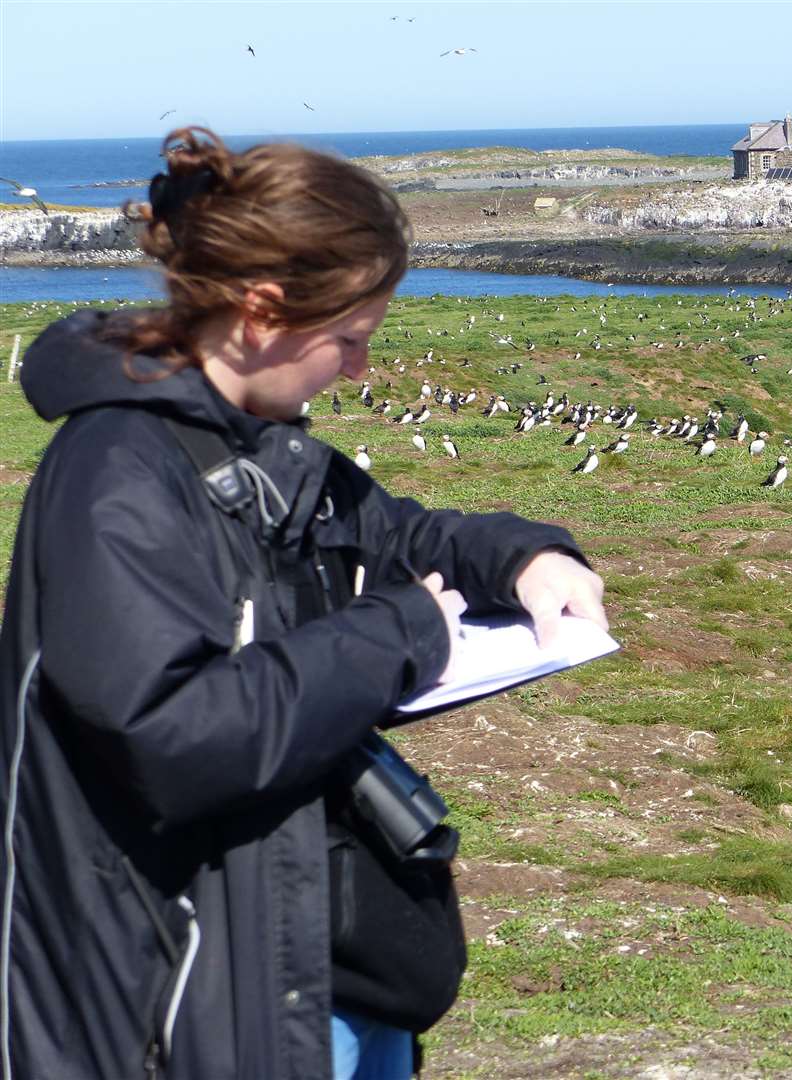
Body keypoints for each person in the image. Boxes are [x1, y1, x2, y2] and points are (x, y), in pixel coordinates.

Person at [0, 127, 607, 1079]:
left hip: (293, 946)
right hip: (178, 993)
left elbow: (400, 533)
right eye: (350, 339)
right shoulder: (116, 476)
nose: (361, 371)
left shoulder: (261, 448)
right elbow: (172, 735)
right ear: (261, 311)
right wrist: (402, 636)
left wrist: (524, 556)